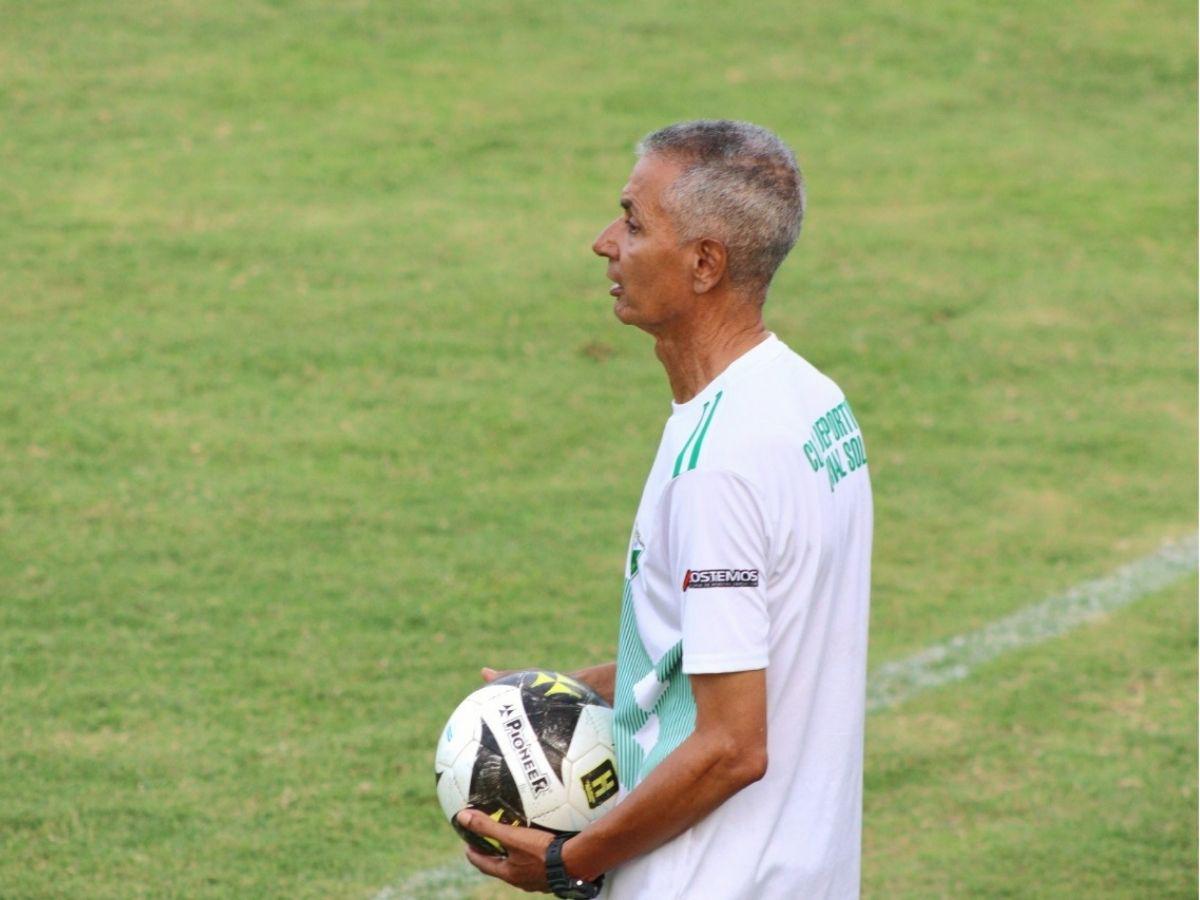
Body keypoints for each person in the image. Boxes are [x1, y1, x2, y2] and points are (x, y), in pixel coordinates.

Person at [457, 120, 874, 899]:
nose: (604, 242)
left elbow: (730, 745)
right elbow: (746, 650)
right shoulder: (813, 403)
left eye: (634, 221)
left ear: (705, 263)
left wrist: (565, 860)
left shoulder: (720, 463)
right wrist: (566, 696)